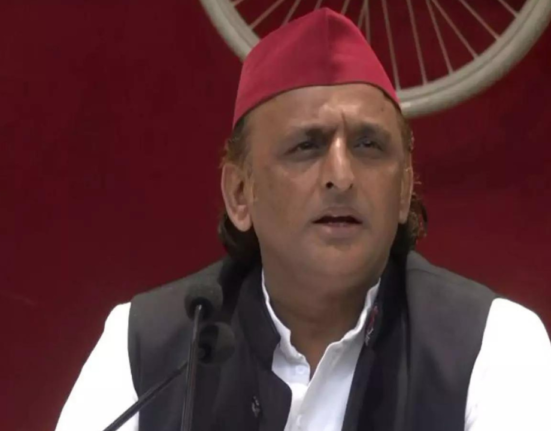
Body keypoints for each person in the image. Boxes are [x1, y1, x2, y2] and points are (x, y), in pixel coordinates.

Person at [56, 8, 551, 431]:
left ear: (403, 190)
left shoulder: (492, 345)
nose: (341, 176)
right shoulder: (148, 343)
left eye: (368, 145)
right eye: (306, 147)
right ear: (240, 193)